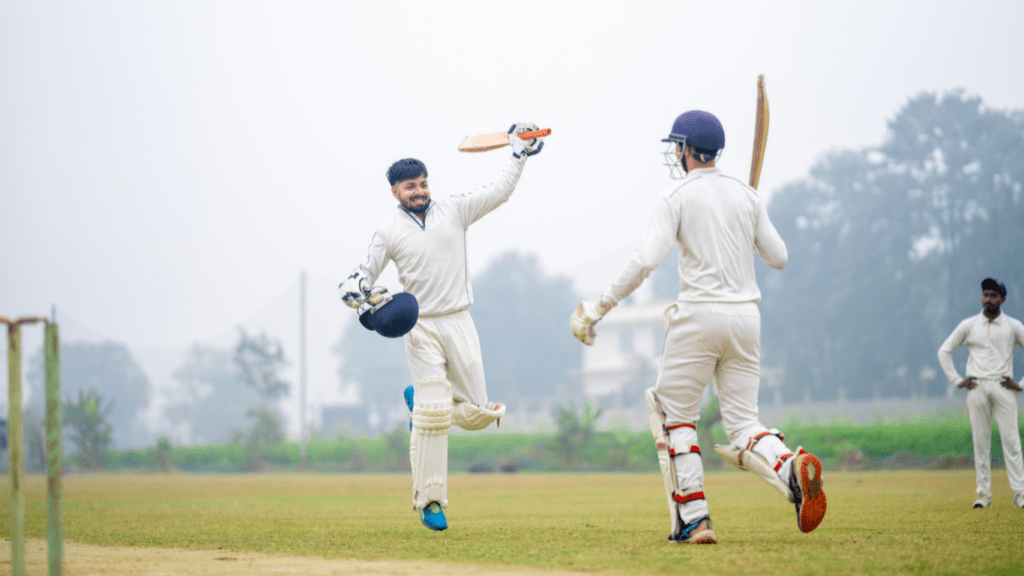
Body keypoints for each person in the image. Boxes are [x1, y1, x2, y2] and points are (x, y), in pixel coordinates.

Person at [570, 110, 826, 544]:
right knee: (745, 424)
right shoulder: (747, 196)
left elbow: (646, 261)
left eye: (677, 145)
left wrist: (598, 308)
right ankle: (789, 466)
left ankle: (695, 518)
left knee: (675, 417)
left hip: (699, 316)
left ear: (687, 150)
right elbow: (778, 257)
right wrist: (746, 220)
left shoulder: (675, 195)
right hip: (747, 318)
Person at [339, 123, 545, 531]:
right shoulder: (388, 231)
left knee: (478, 413)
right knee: (435, 419)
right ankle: (431, 501)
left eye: (422, 183)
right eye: (409, 187)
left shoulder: (454, 209)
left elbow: (498, 192)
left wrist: (519, 154)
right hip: (420, 327)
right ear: (395, 192)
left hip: (460, 320)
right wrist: (357, 292)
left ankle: (421, 404)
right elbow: (361, 277)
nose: (418, 191)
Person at [937, 277, 1024, 509]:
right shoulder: (969, 325)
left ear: (1002, 299)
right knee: (980, 443)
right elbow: (944, 351)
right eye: (985, 294)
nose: (988, 299)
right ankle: (983, 494)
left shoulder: (1013, 326)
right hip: (976, 387)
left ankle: (1020, 493)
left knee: (1012, 441)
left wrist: (1021, 384)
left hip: (1003, 386)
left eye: (993, 295)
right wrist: (957, 380)